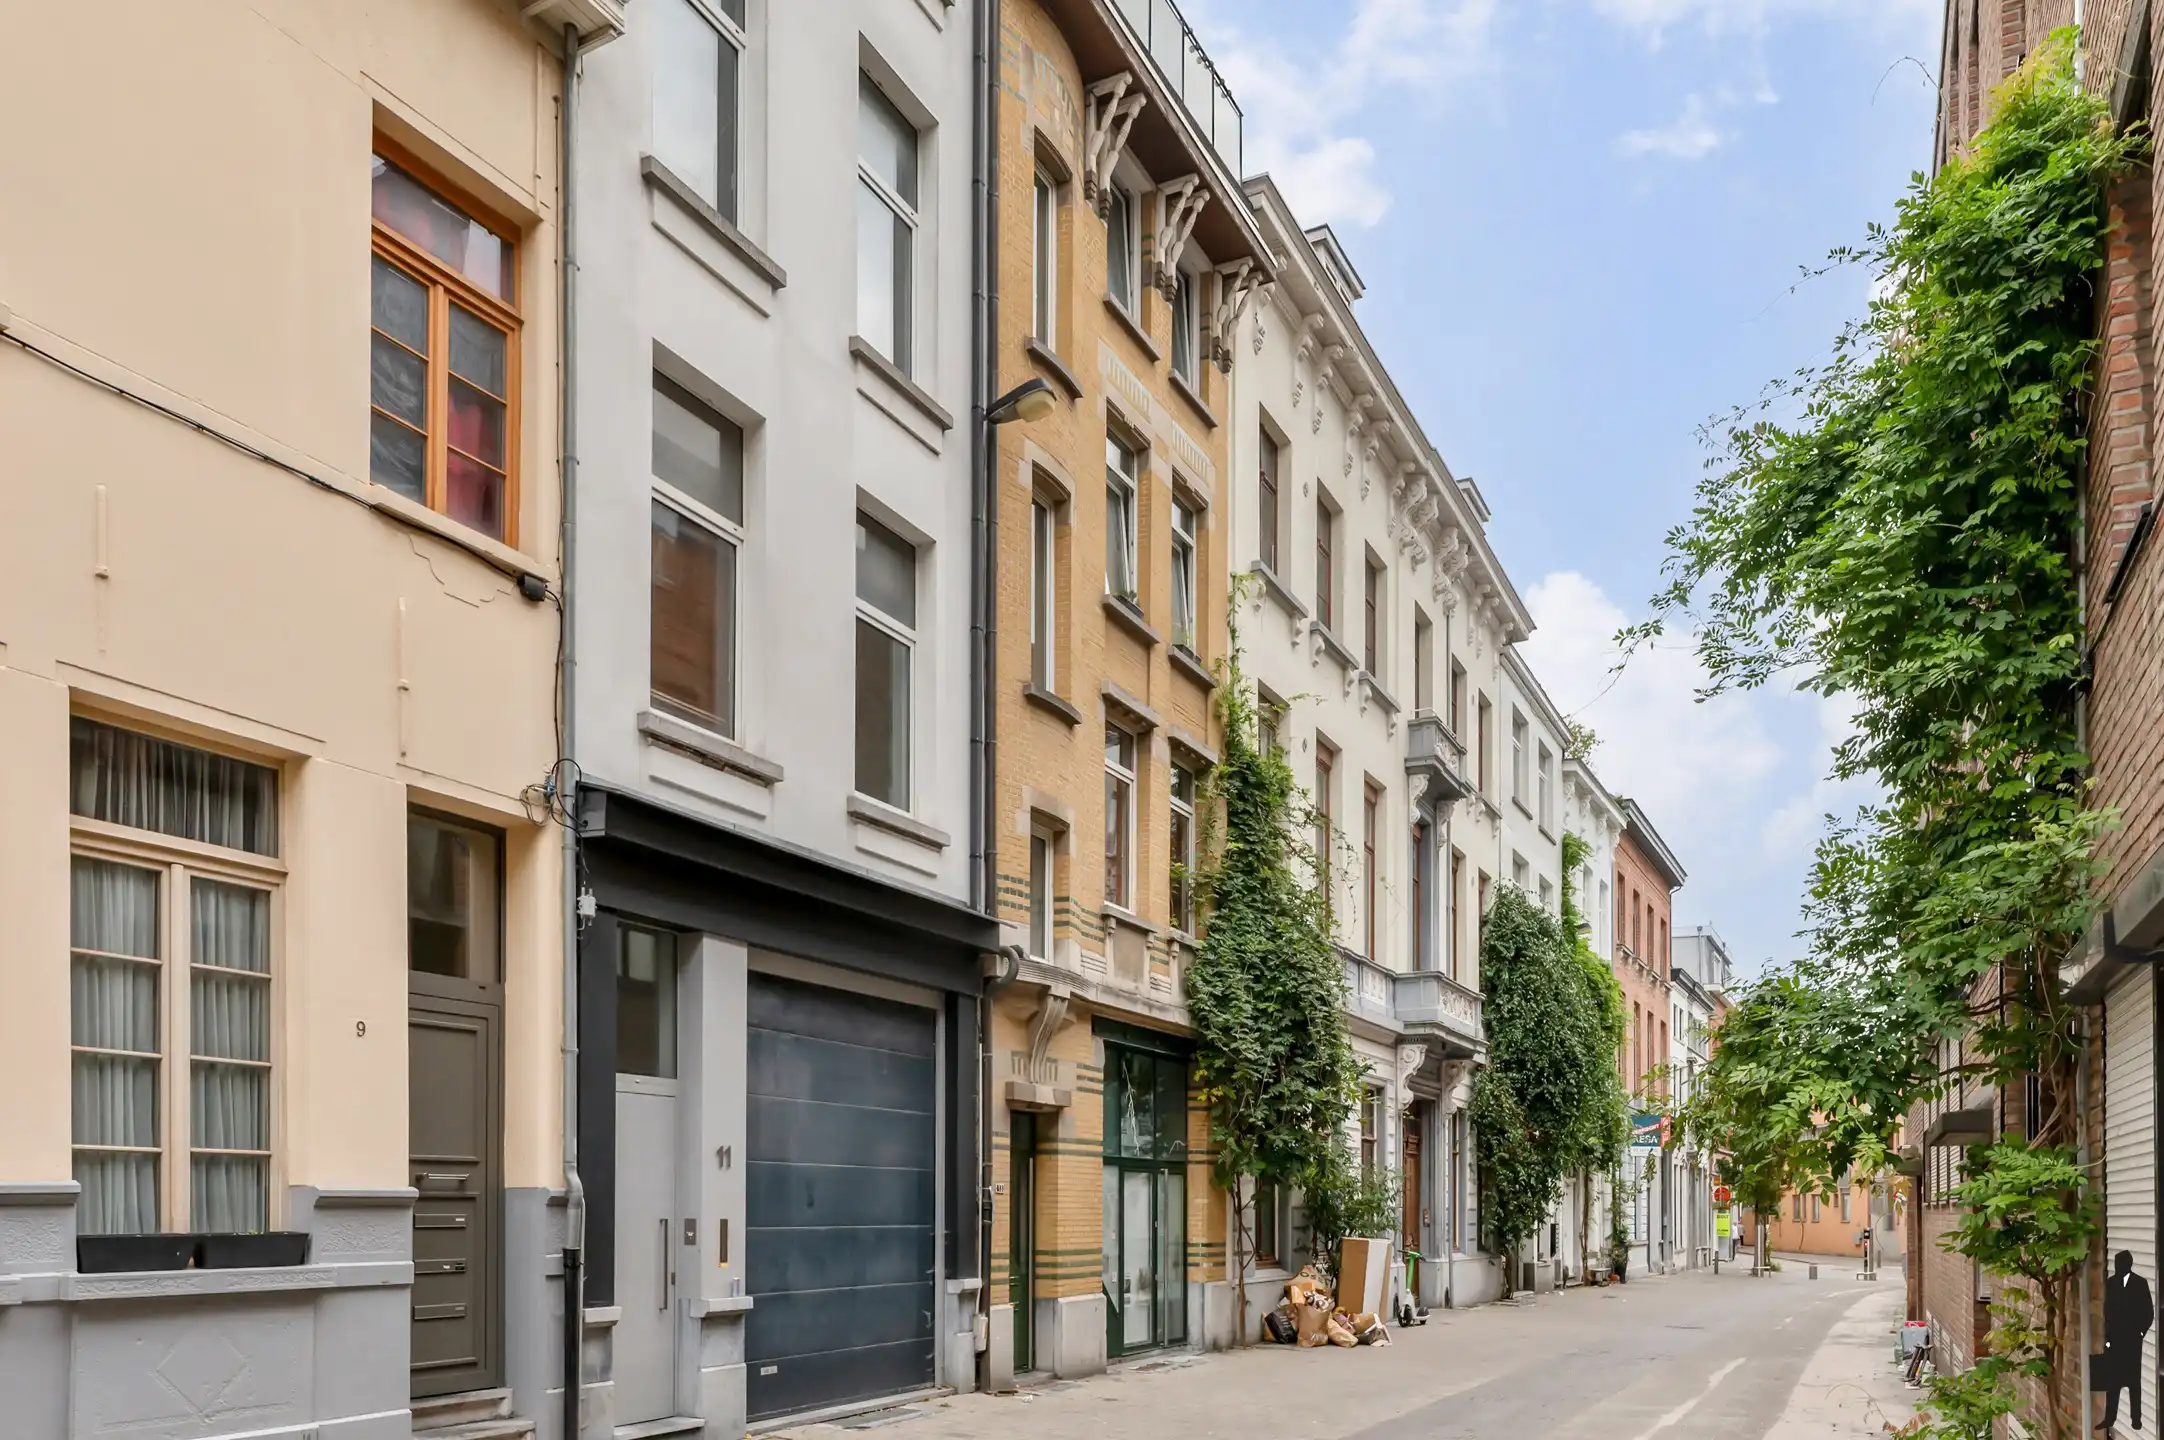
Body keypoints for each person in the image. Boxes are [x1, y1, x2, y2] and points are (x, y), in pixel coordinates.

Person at [2102, 1250, 2153, 1433]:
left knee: (2133, 1381)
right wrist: (2108, 1338)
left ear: (2128, 1265)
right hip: (2115, 1339)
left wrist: (2140, 1332)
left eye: (2120, 1264)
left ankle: (2136, 1419)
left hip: (2132, 1340)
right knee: (2113, 1380)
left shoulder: (2140, 1283)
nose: (2117, 1267)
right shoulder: (2111, 1283)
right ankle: (2110, 1417)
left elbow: (2148, 1311)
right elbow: (2107, 1312)